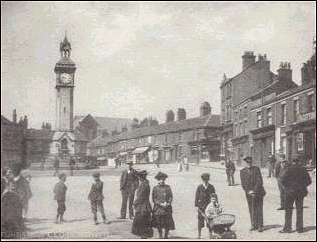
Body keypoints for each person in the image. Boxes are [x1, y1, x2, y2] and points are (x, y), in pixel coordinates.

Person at [279, 157, 312, 233]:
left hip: (289, 193)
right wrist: (302, 186)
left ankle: (287, 228)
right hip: (300, 192)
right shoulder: (303, 169)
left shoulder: (288, 169)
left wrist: (287, 187)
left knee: (288, 211)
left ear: (292, 161)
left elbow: (282, 180)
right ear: (299, 161)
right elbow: (309, 181)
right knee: (299, 210)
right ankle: (299, 228)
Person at [240, 156, 265, 232]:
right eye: (247, 162)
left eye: (250, 162)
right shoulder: (242, 171)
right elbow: (243, 184)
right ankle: (253, 224)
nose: (249, 163)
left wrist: (254, 190)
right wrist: (249, 191)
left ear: (252, 162)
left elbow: (259, 181)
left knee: (259, 208)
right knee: (251, 208)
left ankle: (260, 225)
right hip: (249, 193)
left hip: (258, 192)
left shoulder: (256, 169)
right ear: (245, 162)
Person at [152, 172, 175, 239]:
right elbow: (154, 199)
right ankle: (160, 234)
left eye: (163, 179)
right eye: (160, 179)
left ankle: (166, 235)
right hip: (158, 208)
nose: (161, 181)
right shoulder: (155, 188)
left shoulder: (168, 187)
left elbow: (171, 196)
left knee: (167, 222)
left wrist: (168, 203)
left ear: (164, 180)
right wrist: (160, 204)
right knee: (159, 222)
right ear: (158, 180)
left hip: (167, 208)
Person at [131, 170, 153, 239]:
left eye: (139, 177)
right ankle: (143, 236)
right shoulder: (145, 183)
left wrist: (134, 203)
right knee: (144, 222)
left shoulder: (143, 185)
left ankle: (143, 237)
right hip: (145, 205)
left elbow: (140, 197)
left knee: (141, 222)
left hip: (142, 206)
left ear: (141, 177)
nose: (138, 178)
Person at [195, 173, 216, 239]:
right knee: (200, 221)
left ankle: (210, 234)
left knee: (209, 221)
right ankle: (199, 234)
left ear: (208, 180)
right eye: (204, 180)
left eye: (207, 180)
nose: (205, 181)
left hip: (209, 207)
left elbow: (214, 196)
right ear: (202, 180)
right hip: (201, 207)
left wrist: (215, 204)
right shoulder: (199, 187)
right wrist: (196, 205)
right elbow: (196, 197)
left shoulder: (211, 187)